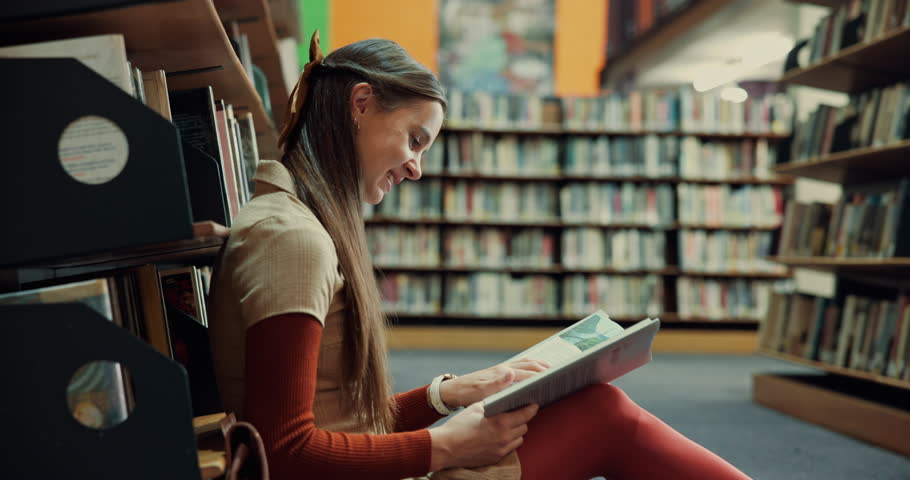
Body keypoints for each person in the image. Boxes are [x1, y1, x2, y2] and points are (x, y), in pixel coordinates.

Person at [207, 31, 751, 480]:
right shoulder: (295, 240)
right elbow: (284, 451)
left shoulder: (295, 221)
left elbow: (342, 417)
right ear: (362, 103)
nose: (417, 166)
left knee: (594, 408)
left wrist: (450, 395)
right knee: (603, 416)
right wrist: (445, 448)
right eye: (415, 139)